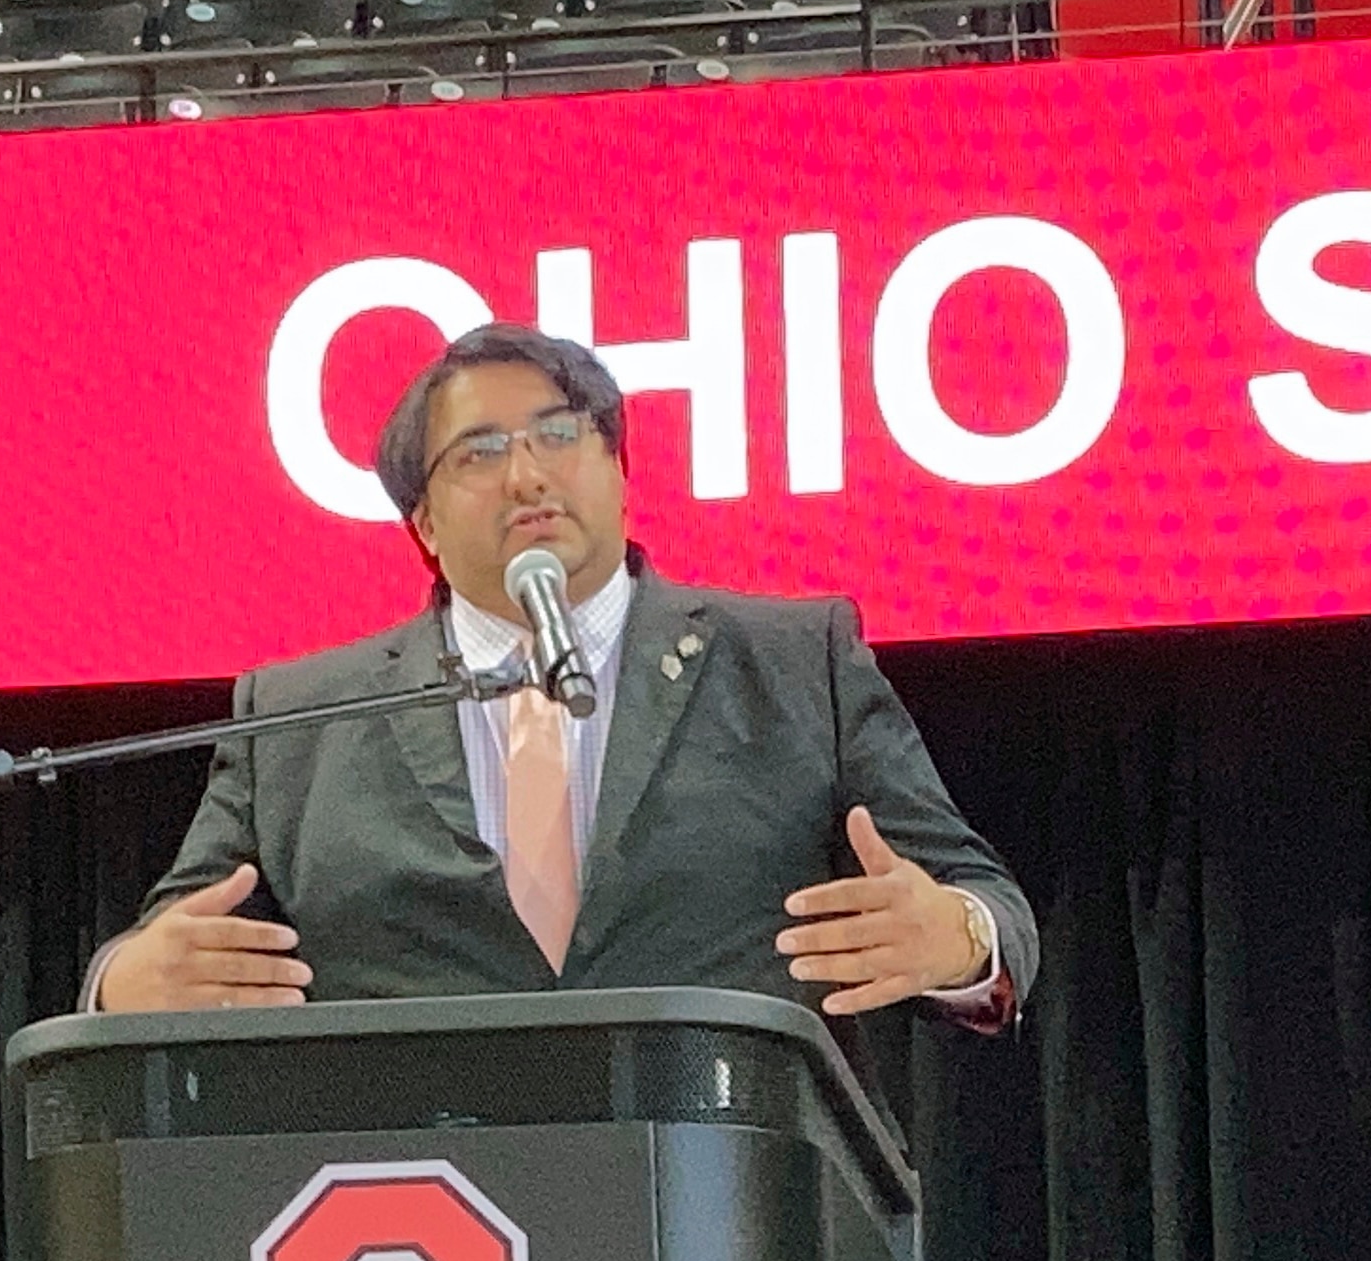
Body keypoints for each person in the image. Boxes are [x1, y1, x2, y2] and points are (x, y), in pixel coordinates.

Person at [90, 323, 1033, 1024]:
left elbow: (985, 903)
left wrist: (956, 938)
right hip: (409, 1199)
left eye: (558, 434)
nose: (527, 476)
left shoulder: (792, 661)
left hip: (735, 1180)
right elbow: (177, 940)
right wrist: (122, 984)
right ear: (423, 523)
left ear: (618, 470)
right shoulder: (299, 716)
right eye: (480, 453)